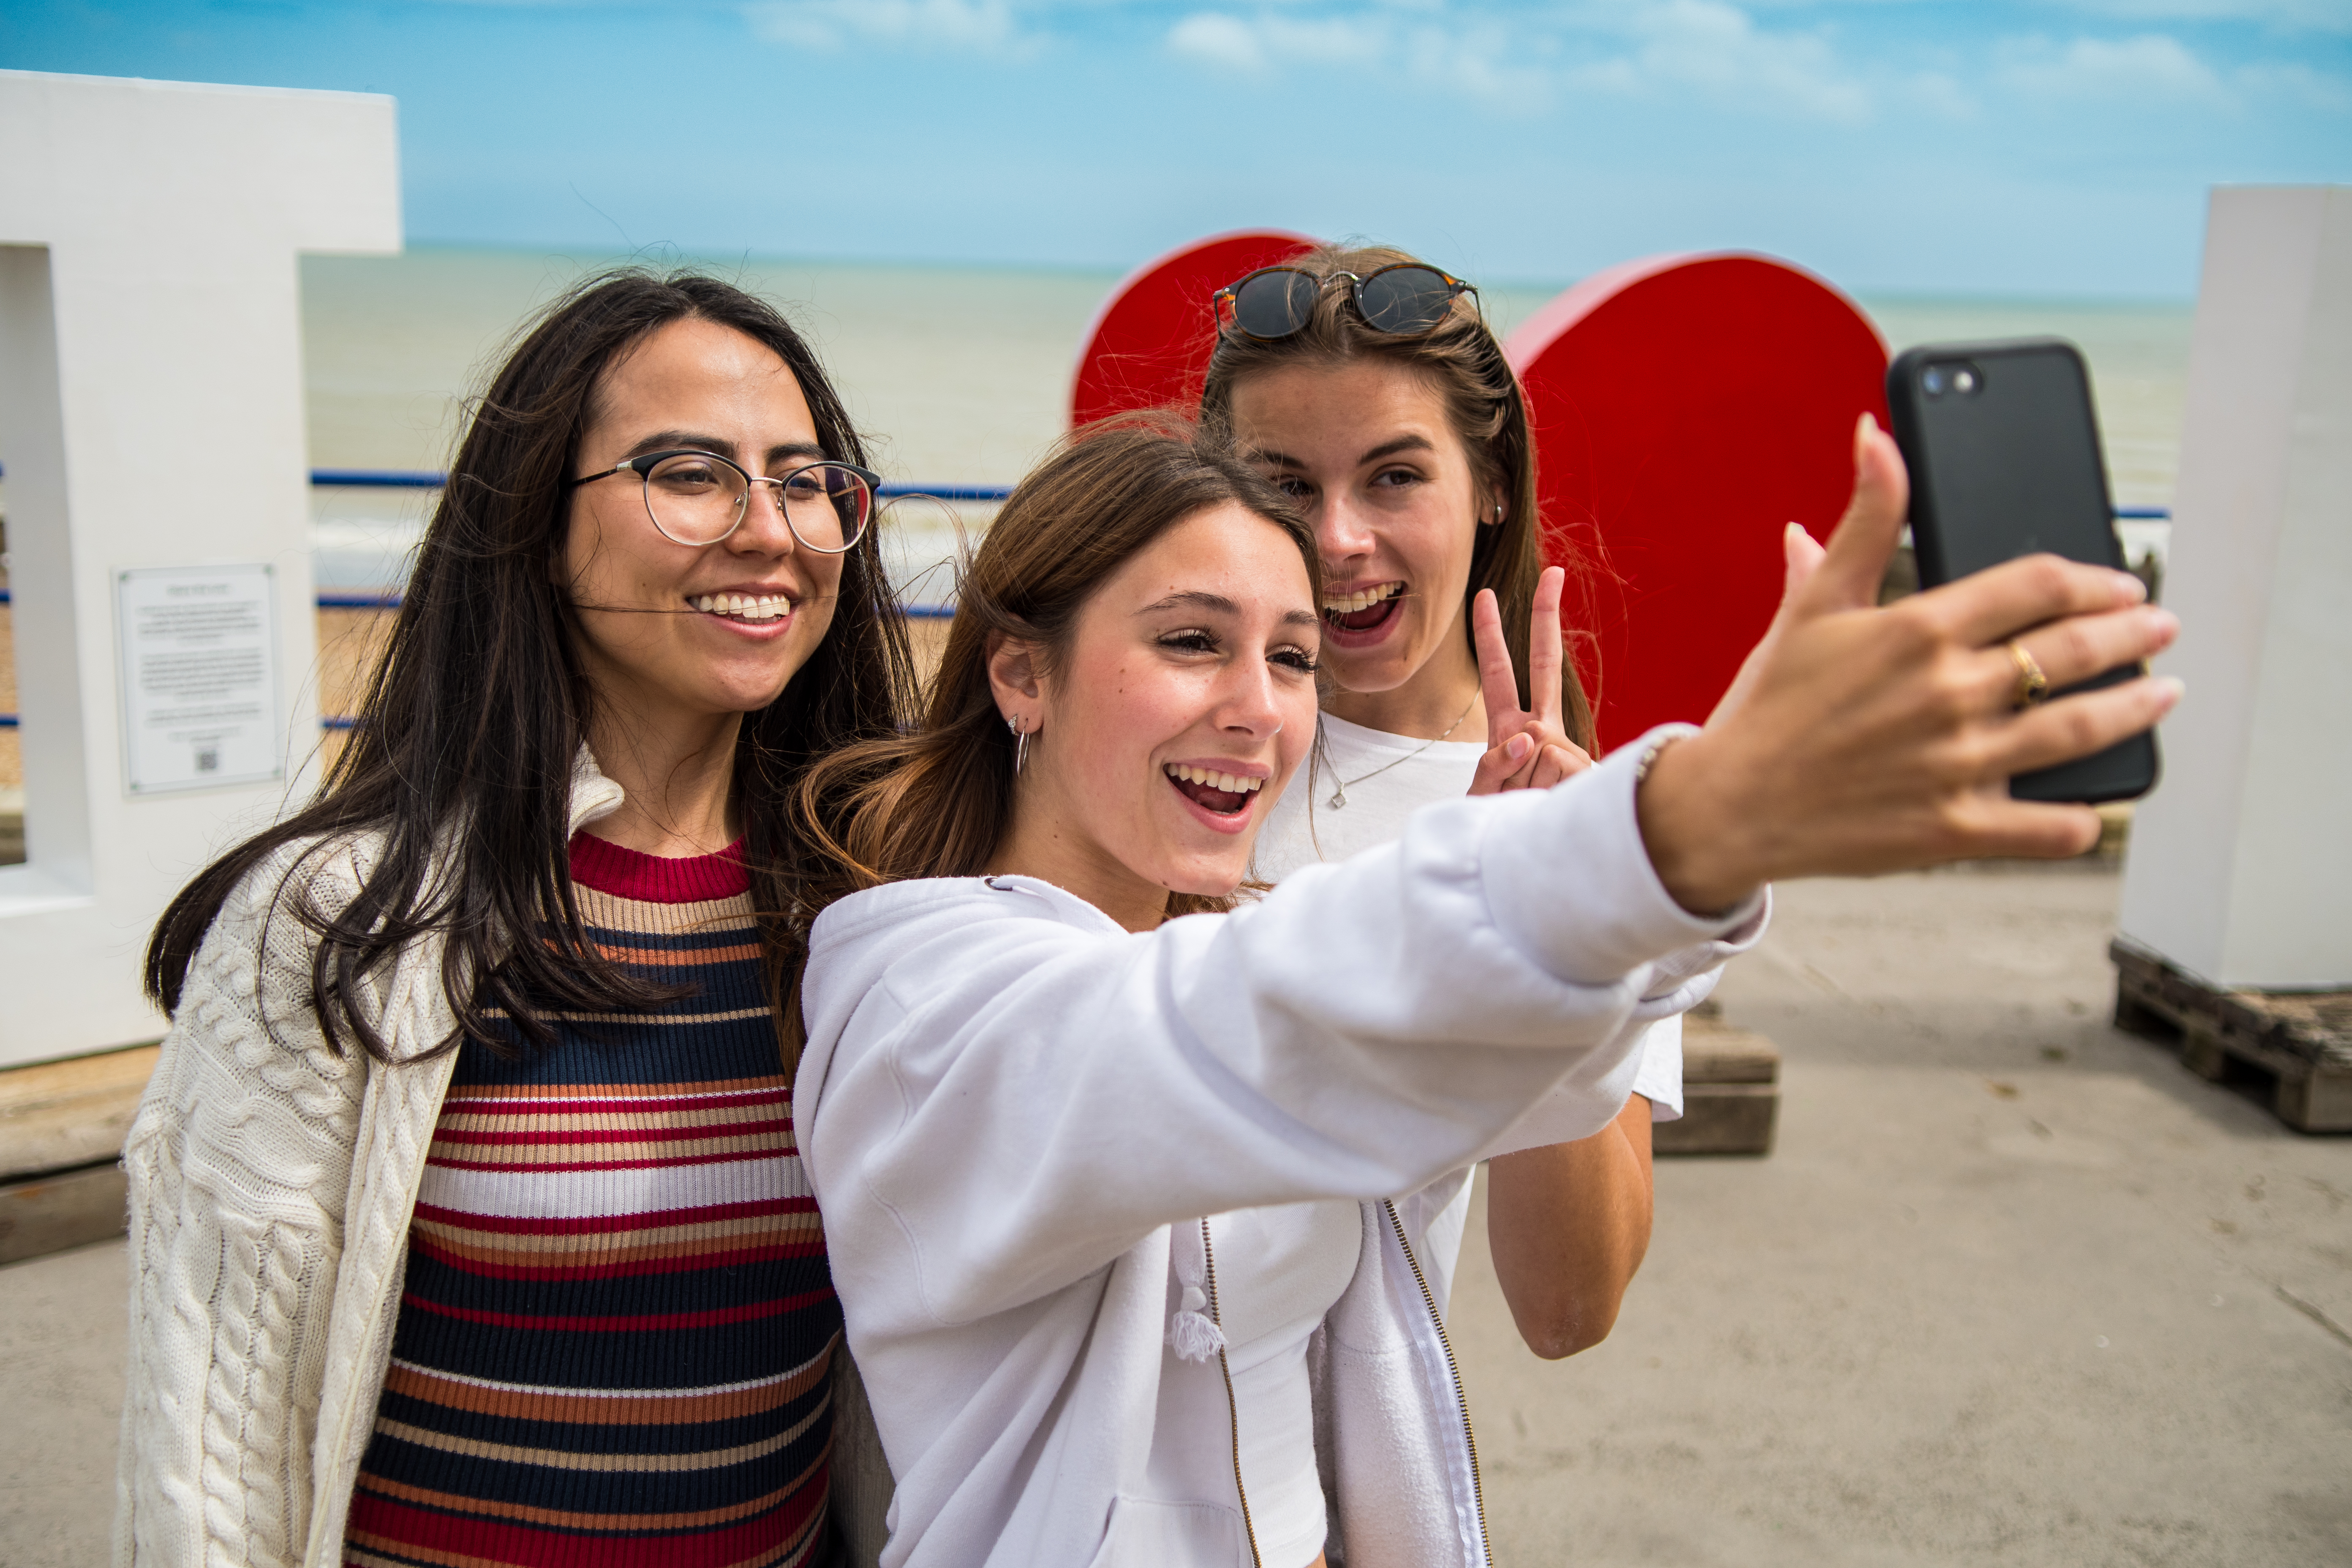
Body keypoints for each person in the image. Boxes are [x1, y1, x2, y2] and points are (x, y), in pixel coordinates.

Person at [788, 416, 2178, 1567]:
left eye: (1290, 656)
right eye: (1192, 641)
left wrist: (1607, 892)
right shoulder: (928, 1007)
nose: (1261, 710)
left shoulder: (1212, 939)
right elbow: (1238, 1030)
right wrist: (1678, 824)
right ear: (1021, 672)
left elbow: (1491, 1077)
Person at [118, 270, 914, 1568]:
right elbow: (211, 1446)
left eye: (806, 477)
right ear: (540, 520)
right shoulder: (340, 924)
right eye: (690, 472)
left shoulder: (867, 907)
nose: (772, 529)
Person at [1202, 244, 1667, 1356]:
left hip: (1328, 1493)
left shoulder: (1583, 826)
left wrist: (1551, 929)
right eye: (1284, 486)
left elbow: (1567, 1309)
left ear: (1493, 483)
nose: (1338, 539)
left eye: (1395, 476)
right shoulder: (1157, 734)